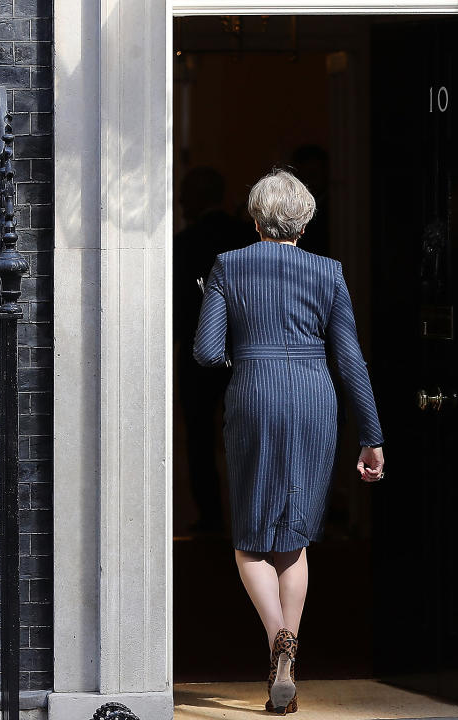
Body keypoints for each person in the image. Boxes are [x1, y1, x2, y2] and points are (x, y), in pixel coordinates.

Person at [192, 168, 386, 714]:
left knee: (250, 537)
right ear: (304, 224)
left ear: (255, 220)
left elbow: (207, 354)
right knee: (292, 539)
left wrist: (244, 356)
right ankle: (292, 648)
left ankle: (275, 635)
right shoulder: (328, 272)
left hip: (253, 396)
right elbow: (349, 360)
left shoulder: (229, 265)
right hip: (312, 398)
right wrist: (371, 436)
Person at [173, 167, 251, 534]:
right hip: (247, 352)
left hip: (196, 355)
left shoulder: (185, 243)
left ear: (198, 196)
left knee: (200, 440)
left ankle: (212, 519)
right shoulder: (246, 238)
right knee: (249, 436)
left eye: (185, 192)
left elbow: (178, 306)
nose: (180, 201)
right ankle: (251, 516)